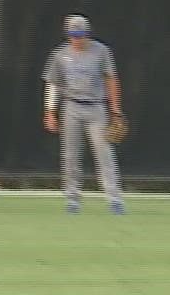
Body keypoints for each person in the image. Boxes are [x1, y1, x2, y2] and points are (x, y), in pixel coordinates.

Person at [42, 14, 125, 214]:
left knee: (104, 153)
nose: (77, 39)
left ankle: (114, 199)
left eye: (80, 35)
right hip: (72, 107)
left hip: (96, 106)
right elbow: (53, 84)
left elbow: (111, 79)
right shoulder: (60, 54)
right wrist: (50, 111)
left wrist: (115, 108)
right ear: (68, 35)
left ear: (87, 33)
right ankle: (73, 199)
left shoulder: (101, 51)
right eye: (73, 35)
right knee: (71, 154)